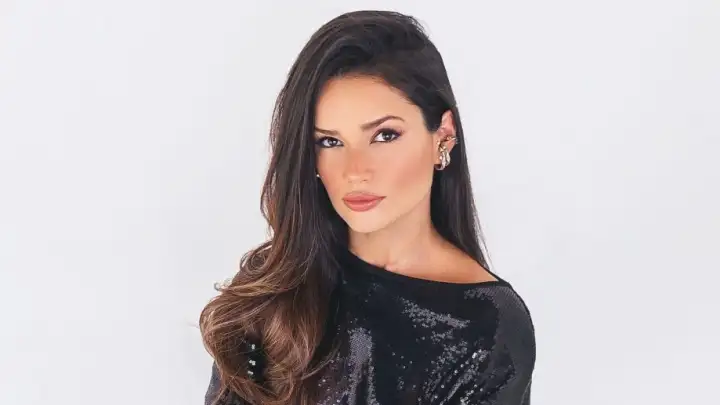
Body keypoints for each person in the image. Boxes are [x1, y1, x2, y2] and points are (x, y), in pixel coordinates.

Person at [200, 10, 536, 405]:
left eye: (384, 135)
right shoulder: (276, 287)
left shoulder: (484, 327)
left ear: (443, 136)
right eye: (330, 142)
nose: (355, 171)